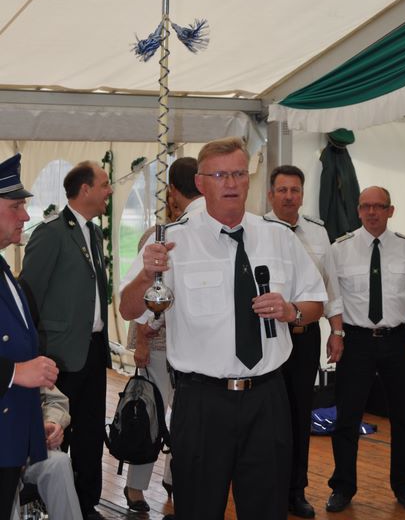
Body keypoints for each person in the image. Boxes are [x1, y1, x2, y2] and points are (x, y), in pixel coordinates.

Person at [119, 137, 326, 520]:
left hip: (267, 397)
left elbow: (316, 302)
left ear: (249, 179)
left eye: (238, 174)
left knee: (267, 508)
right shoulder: (172, 240)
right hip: (202, 401)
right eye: (219, 175)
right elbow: (129, 309)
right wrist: (147, 275)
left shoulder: (278, 236)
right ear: (201, 183)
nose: (231, 183)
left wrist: (291, 310)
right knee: (198, 507)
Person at [20, 161, 113, 520]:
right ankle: (54, 504)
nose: (109, 190)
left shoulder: (95, 233)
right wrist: (34, 353)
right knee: (59, 431)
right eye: (104, 184)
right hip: (59, 353)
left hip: (93, 349)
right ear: (85, 189)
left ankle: (86, 505)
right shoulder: (53, 232)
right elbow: (29, 295)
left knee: (91, 432)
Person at [326, 186, 405, 513]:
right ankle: (342, 487)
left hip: (396, 340)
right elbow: (333, 297)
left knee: (404, 417)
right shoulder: (340, 249)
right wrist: (337, 333)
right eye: (365, 206)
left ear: (390, 211)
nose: (371, 212)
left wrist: (394, 319)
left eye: (379, 206)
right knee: (347, 417)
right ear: (358, 210)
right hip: (356, 341)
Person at [123, 157, 204, 511]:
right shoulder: (158, 237)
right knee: (151, 413)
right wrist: (141, 343)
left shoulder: (201, 236)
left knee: (183, 417)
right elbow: (141, 300)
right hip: (156, 342)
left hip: (190, 345)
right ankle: (136, 486)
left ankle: (174, 478)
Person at [266, 164, 344, 519]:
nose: (288, 196)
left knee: (300, 414)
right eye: (282, 190)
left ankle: (296, 491)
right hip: (269, 337)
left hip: (305, 337)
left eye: (294, 190)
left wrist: (337, 331)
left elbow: (330, 285)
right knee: (268, 416)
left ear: (302, 194)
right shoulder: (258, 231)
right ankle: (268, 488)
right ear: (271, 194)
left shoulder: (317, 231)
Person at [0, 153, 58, 519]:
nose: (25, 216)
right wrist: (14, 372)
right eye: (15, 207)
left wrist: (34, 427)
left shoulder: (4, 268)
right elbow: (17, 367)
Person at [10, 386, 83, 520]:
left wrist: (51, 421)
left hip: (23, 446)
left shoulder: (23, 371)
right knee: (7, 475)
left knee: (59, 463)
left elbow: (55, 400)